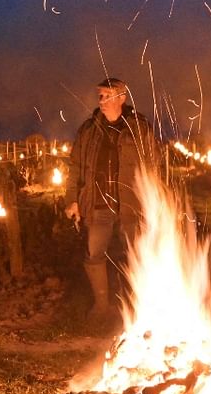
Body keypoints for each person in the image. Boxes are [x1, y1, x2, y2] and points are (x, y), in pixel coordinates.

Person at [64, 78, 161, 321]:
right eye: (100, 96)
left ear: (122, 98)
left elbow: (153, 166)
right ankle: (101, 305)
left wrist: (153, 199)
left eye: (108, 96)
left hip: (130, 203)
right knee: (94, 253)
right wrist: (72, 199)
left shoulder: (139, 128)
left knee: (136, 253)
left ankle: (137, 306)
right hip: (98, 204)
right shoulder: (88, 130)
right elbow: (75, 167)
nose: (102, 101)